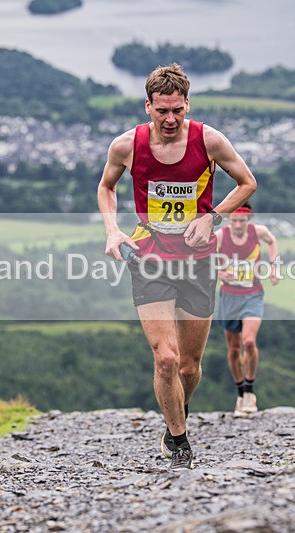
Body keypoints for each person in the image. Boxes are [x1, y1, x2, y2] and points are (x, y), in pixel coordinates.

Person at [97, 64, 257, 470]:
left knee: (188, 367)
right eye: (161, 110)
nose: (170, 119)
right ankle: (180, 442)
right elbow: (107, 186)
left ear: (188, 105)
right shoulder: (126, 146)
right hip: (149, 257)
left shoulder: (210, 141)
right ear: (147, 106)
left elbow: (247, 182)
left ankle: (173, 422)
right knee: (165, 358)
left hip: (198, 262)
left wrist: (212, 218)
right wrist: (113, 230)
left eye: (177, 110)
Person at [215, 202, 279, 417]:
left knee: (249, 342)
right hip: (229, 297)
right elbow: (205, 257)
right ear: (228, 220)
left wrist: (274, 267)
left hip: (253, 294)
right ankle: (240, 393)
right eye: (234, 220)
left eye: (242, 221)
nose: (237, 225)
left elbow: (272, 241)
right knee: (234, 349)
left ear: (248, 219)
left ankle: (250, 391)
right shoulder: (220, 236)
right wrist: (219, 272)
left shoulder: (258, 232)